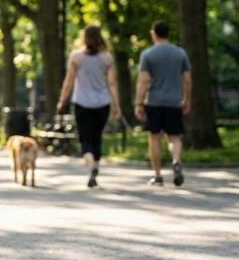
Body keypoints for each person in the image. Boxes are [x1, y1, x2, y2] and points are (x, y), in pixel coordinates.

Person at [56, 25, 122, 188]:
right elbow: (112, 83)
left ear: (84, 38)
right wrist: (117, 106)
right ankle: (96, 168)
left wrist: (62, 100)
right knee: (97, 137)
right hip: (102, 103)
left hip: (82, 103)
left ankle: (90, 164)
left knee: (85, 138)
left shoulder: (76, 57)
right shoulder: (107, 58)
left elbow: (69, 81)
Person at [134, 20, 191, 187]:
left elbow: (143, 80)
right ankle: (176, 160)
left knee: (154, 138)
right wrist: (187, 99)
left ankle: (157, 176)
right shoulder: (180, 53)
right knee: (174, 137)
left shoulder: (148, 54)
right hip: (174, 102)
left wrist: (138, 102)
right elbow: (187, 80)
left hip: (154, 102)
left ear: (154, 33)